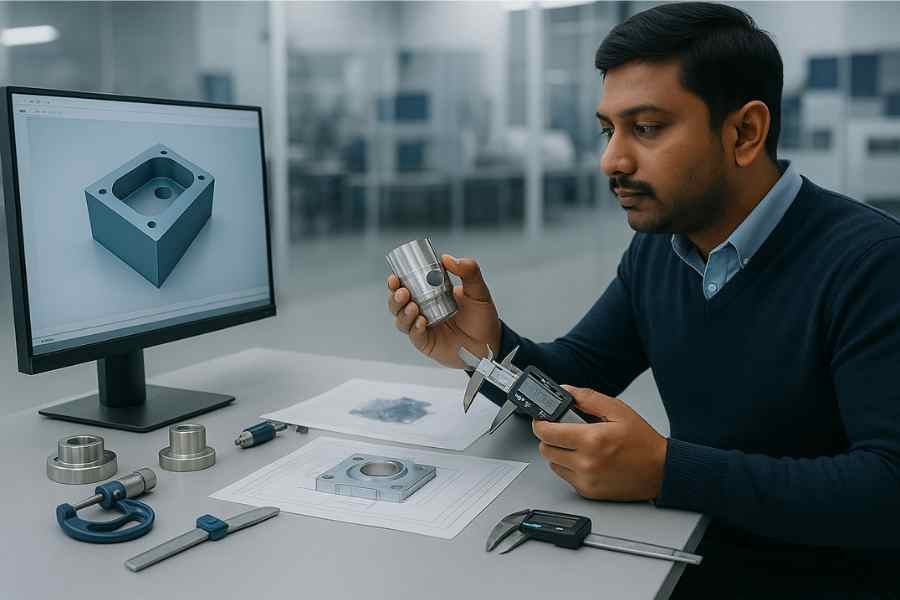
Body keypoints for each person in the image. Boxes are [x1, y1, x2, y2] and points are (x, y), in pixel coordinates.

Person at [386, 2, 900, 596]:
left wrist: (667, 469)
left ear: (745, 132)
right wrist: (485, 349)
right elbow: (575, 374)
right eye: (609, 129)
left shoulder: (871, 264)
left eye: (647, 128)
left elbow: (887, 487)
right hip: (692, 549)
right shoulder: (662, 250)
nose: (612, 160)